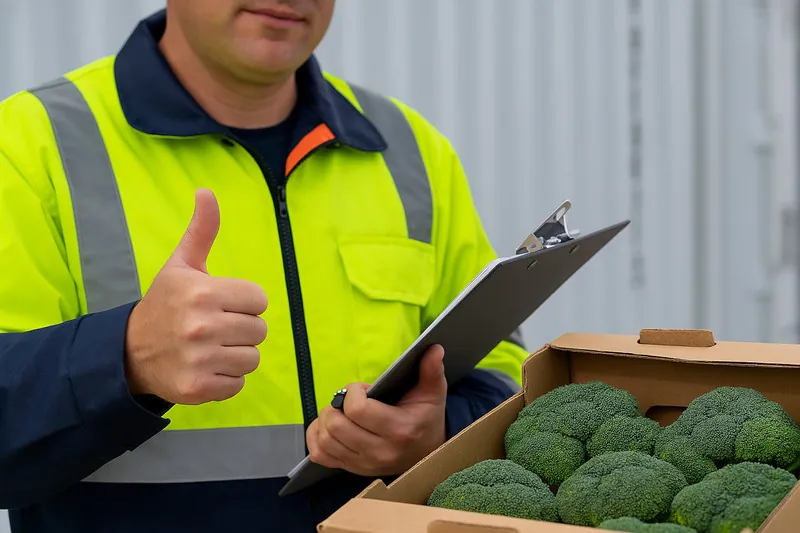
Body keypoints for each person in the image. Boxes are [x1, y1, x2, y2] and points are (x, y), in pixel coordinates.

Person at [0, 2, 528, 532]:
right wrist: (125, 357)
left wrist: (440, 432)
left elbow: (502, 366)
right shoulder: (30, 144)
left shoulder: (411, 147)